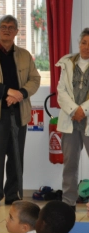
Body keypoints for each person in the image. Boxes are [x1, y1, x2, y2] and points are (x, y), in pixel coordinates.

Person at [0, 15, 40, 210]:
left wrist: (19, 94)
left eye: (10, 27)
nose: (6, 29)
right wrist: (7, 91)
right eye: (3, 26)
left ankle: (12, 195)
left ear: (16, 32)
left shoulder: (24, 54)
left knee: (15, 156)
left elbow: (35, 80)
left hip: (19, 113)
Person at [55, 28, 89, 211]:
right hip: (70, 119)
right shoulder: (67, 63)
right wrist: (74, 110)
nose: (86, 47)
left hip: (87, 119)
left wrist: (82, 110)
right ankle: (68, 204)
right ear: (79, 43)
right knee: (70, 165)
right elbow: (61, 92)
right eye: (84, 43)